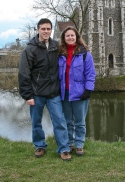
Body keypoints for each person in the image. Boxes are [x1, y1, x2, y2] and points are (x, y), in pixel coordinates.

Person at [18, 18, 71, 161]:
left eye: (48, 29)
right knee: (36, 122)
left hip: (54, 93)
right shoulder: (30, 49)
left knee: (60, 121)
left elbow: (69, 57)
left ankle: (64, 148)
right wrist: (27, 95)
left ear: (51, 30)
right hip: (36, 94)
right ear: (38, 30)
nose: (46, 31)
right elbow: (24, 73)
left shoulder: (57, 46)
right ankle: (40, 145)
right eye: (43, 29)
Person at [58, 26, 96, 156]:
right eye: (67, 36)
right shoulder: (59, 54)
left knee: (80, 121)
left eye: (72, 35)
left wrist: (88, 89)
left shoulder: (85, 54)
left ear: (77, 37)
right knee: (67, 121)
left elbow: (90, 73)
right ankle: (69, 143)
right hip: (65, 93)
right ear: (64, 38)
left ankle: (79, 144)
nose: (70, 38)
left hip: (80, 93)